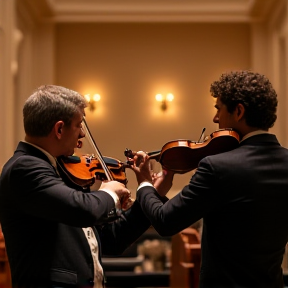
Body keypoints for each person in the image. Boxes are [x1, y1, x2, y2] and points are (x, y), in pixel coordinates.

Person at [130, 70, 288, 288]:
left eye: (218, 109)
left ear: (239, 111)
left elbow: (165, 222)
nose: (215, 119)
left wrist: (145, 183)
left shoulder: (218, 167)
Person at [0, 85, 151, 288]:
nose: (82, 134)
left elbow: (111, 240)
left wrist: (149, 190)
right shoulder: (24, 168)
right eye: (79, 125)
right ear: (59, 129)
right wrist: (109, 192)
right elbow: (82, 208)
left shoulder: (62, 170)